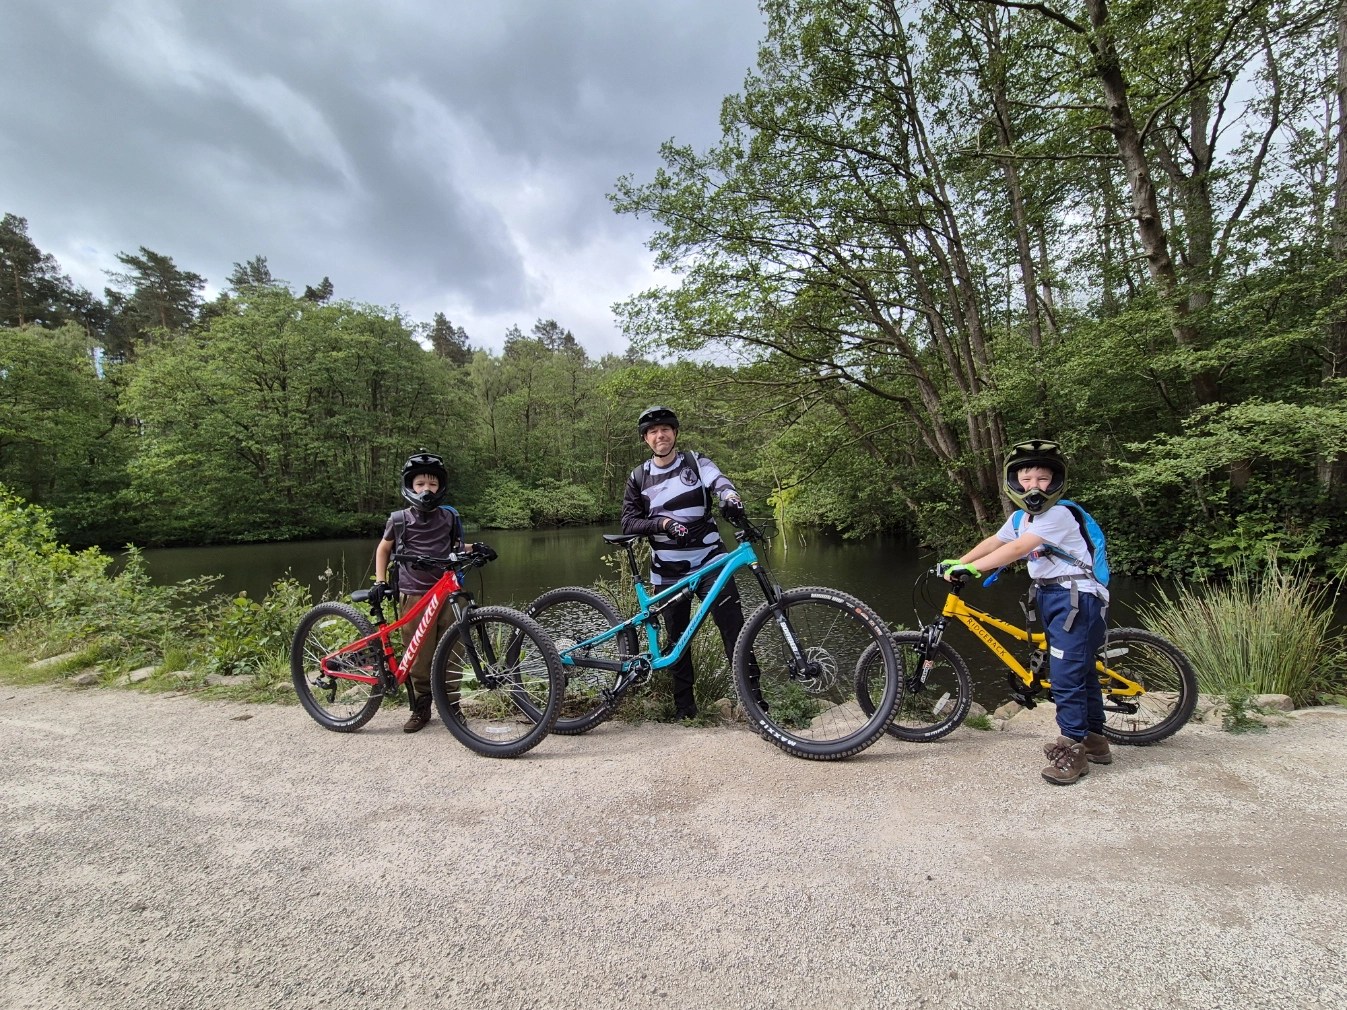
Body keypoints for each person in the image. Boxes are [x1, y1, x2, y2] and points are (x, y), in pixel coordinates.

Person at [938, 439, 1109, 785]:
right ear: (1014, 483)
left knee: (1064, 676)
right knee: (1081, 670)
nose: (1035, 487)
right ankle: (1095, 742)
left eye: (1043, 479)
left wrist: (975, 571)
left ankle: (1072, 752)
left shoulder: (1058, 514)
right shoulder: (1021, 517)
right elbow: (997, 541)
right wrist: (962, 560)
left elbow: (1018, 549)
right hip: (1052, 595)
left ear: (1056, 482)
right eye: (1027, 479)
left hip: (1077, 595)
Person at [620, 405, 759, 721]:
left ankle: (756, 707)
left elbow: (720, 483)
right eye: (653, 431)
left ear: (675, 433)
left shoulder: (697, 463)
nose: (660, 435)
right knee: (676, 643)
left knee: (735, 633)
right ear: (646, 439)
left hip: (712, 563)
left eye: (666, 429)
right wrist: (663, 524)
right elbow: (628, 522)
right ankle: (686, 712)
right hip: (667, 573)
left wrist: (731, 500)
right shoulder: (638, 477)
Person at [372, 451, 483, 734]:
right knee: (419, 653)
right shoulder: (399, 519)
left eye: (432, 484)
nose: (426, 490)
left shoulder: (449, 518)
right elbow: (384, 549)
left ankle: (452, 704)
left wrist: (477, 548)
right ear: (410, 486)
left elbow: (456, 549)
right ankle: (421, 705)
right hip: (413, 594)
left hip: (448, 594)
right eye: (420, 484)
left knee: (454, 649)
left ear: (440, 486)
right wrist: (380, 580)